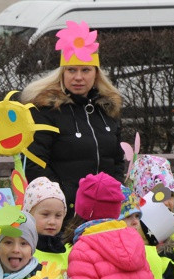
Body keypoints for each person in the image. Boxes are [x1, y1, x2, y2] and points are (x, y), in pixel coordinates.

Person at [21, 21, 124, 217]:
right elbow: (35, 164)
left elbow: (117, 160)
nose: (78, 77)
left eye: (85, 70)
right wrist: (65, 197)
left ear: (96, 74)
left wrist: (114, 191)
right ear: (62, 73)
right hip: (64, 212)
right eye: (71, 70)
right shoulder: (46, 111)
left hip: (105, 209)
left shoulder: (106, 110)